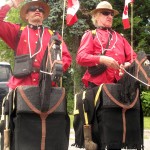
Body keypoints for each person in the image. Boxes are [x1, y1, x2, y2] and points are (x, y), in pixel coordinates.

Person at [76, 1, 138, 150]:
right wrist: (101, 59)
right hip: (97, 90)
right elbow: (81, 57)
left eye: (111, 13)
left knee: (116, 134)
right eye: (105, 13)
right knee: (100, 134)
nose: (109, 16)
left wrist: (127, 65)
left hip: (118, 90)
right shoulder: (90, 35)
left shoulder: (120, 37)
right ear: (96, 16)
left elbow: (133, 57)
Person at [0, 0, 72, 90]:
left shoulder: (53, 36)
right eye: (33, 8)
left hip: (47, 87)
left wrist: (56, 68)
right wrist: (11, 3)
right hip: (20, 86)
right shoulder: (18, 32)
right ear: (26, 16)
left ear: (43, 16)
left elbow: (66, 57)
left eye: (41, 9)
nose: (37, 10)